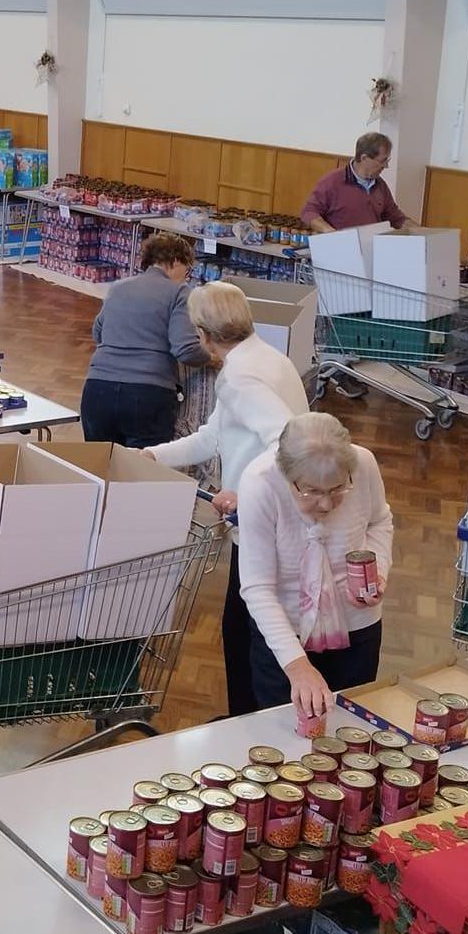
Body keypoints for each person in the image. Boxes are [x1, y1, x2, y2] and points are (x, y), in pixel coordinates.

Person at [145, 282, 310, 717]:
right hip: (273, 517)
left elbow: (289, 439)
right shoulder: (267, 357)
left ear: (202, 332)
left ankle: (248, 720)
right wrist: (152, 456)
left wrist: (247, 491)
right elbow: (212, 438)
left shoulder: (238, 376)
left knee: (246, 630)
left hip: (257, 520)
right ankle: (248, 714)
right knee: (243, 625)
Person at [236, 413, 393, 717]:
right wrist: (297, 666)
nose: (325, 504)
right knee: (284, 730)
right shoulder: (259, 484)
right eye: (311, 491)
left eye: (337, 490)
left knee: (350, 724)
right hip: (285, 632)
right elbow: (258, 588)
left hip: (357, 624)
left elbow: (379, 521)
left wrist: (379, 571)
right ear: (286, 474)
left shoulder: (364, 464)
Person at [81, 232, 207, 447]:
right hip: (147, 395)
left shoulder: (118, 287)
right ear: (175, 261)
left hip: (97, 390)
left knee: (100, 468)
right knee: (143, 474)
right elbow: (186, 350)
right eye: (188, 270)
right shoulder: (180, 292)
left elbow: (98, 332)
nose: (187, 277)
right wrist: (211, 357)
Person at [300, 132, 415, 234]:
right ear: (364, 158)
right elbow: (309, 213)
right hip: (341, 249)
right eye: (382, 161)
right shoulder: (332, 182)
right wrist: (330, 232)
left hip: (372, 249)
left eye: (387, 160)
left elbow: (396, 218)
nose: (386, 166)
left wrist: (423, 232)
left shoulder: (380, 185)